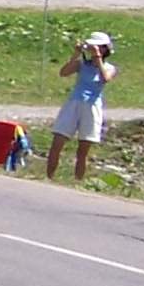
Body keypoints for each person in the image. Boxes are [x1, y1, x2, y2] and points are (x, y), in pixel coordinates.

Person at [46, 31, 116, 182]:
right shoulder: (82, 64)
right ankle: (49, 177)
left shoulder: (109, 67)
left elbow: (105, 78)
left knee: (83, 149)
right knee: (57, 141)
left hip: (92, 105)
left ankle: (78, 179)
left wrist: (98, 59)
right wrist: (76, 54)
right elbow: (63, 73)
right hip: (74, 102)